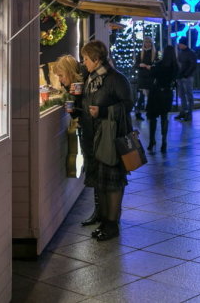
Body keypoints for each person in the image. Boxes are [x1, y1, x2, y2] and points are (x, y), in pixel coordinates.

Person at [80, 40, 133, 241]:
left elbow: (128, 105)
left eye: (86, 58)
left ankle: (112, 224)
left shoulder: (116, 79)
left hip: (111, 138)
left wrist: (103, 111)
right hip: (94, 137)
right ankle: (105, 220)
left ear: (96, 59)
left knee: (113, 182)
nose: (83, 62)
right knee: (101, 182)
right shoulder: (91, 78)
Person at [54, 55, 96, 224]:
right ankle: (99, 212)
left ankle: (101, 214)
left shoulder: (77, 85)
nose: (60, 79)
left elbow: (78, 110)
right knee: (94, 170)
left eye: (61, 75)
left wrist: (69, 105)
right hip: (91, 130)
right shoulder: (81, 81)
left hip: (90, 131)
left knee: (94, 169)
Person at [146, 45, 178, 152]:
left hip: (156, 93)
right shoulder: (175, 66)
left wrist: (152, 67)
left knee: (153, 118)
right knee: (164, 118)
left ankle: (152, 140)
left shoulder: (159, 65)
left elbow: (152, 74)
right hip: (167, 93)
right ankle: (164, 142)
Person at [134, 37, 158, 120]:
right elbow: (135, 65)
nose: (147, 44)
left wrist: (151, 67)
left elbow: (158, 64)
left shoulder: (155, 53)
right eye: (146, 42)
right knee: (141, 96)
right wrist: (140, 65)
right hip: (142, 78)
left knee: (151, 96)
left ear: (151, 43)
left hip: (150, 77)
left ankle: (149, 112)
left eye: (149, 42)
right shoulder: (140, 53)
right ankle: (138, 112)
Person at [175, 39, 197, 121]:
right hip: (181, 76)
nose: (179, 45)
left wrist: (186, 74)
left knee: (188, 95)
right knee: (182, 95)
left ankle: (189, 113)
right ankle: (183, 111)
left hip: (187, 77)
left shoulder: (191, 53)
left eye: (180, 44)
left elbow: (193, 65)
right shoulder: (181, 53)